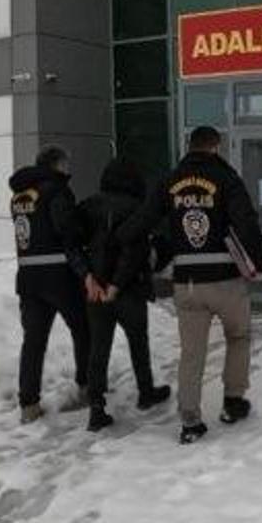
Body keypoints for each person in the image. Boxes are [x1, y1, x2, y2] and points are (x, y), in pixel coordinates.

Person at [118, 126, 262, 444]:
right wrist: (261, 262)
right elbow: (246, 222)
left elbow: (144, 220)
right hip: (226, 279)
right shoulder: (226, 179)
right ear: (215, 147)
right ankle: (233, 402)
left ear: (190, 147)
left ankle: (190, 421)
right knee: (238, 336)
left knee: (192, 353)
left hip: (187, 283)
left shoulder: (170, 181)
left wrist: (118, 238)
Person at [78, 157, 173, 432]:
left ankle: (96, 407)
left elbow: (75, 243)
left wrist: (88, 277)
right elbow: (136, 251)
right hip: (129, 288)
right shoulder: (137, 209)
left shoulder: (87, 206)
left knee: (98, 348)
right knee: (138, 342)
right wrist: (117, 284)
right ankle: (146, 392)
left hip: (96, 289)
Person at [8, 146, 92, 424]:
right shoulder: (56, 191)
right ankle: (87, 386)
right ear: (56, 165)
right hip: (59, 275)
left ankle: (29, 404)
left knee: (33, 341)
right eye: (65, 163)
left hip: (28, 278)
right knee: (83, 329)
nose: (68, 169)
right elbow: (66, 230)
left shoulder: (19, 195)